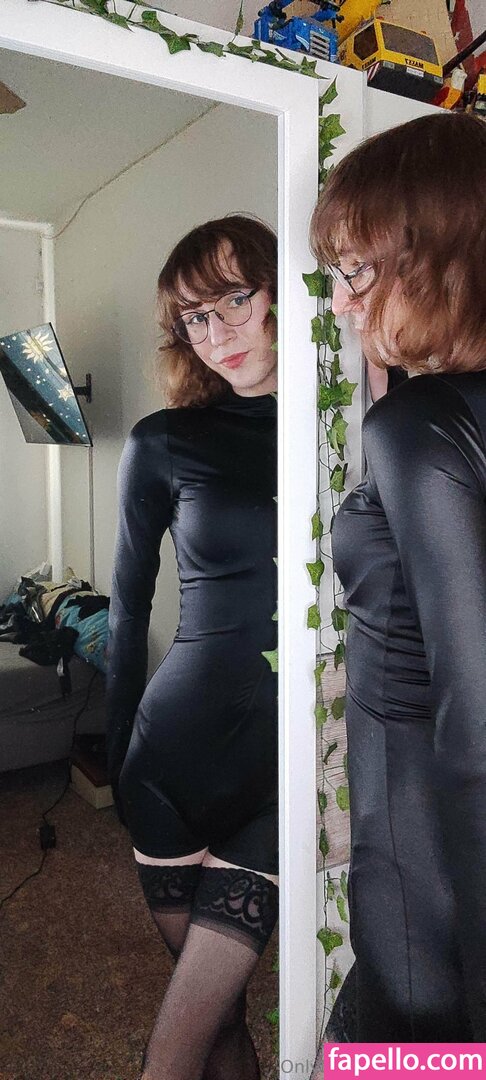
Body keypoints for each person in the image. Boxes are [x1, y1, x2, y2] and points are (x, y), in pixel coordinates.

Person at [309, 111, 486, 1045]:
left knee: (394, 1048)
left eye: (357, 272)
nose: (342, 303)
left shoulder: (420, 428)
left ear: (441, 262)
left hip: (424, 865)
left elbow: (476, 737)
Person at [106, 215, 279, 1080]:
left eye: (235, 299)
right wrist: (115, 763)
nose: (218, 334)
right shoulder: (163, 441)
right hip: (169, 766)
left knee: (181, 1042)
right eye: (196, 318)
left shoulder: (348, 424)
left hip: (282, 773)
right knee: (218, 1024)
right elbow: (127, 607)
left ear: (281, 290)